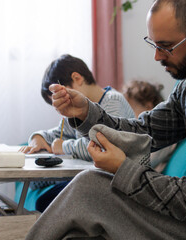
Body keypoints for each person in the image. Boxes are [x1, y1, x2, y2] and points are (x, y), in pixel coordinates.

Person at [26, 0, 186, 239]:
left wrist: (124, 169)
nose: (157, 56)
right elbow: (145, 129)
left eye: (166, 46)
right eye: (153, 44)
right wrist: (86, 113)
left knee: (89, 188)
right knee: (78, 228)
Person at [19, 54, 135, 212]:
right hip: (89, 174)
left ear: (77, 78)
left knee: (45, 203)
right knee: (36, 182)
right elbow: (56, 133)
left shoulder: (112, 101)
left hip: (110, 180)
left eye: (62, 98)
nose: (63, 107)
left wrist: (64, 147)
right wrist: (38, 138)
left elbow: (103, 145)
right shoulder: (75, 111)